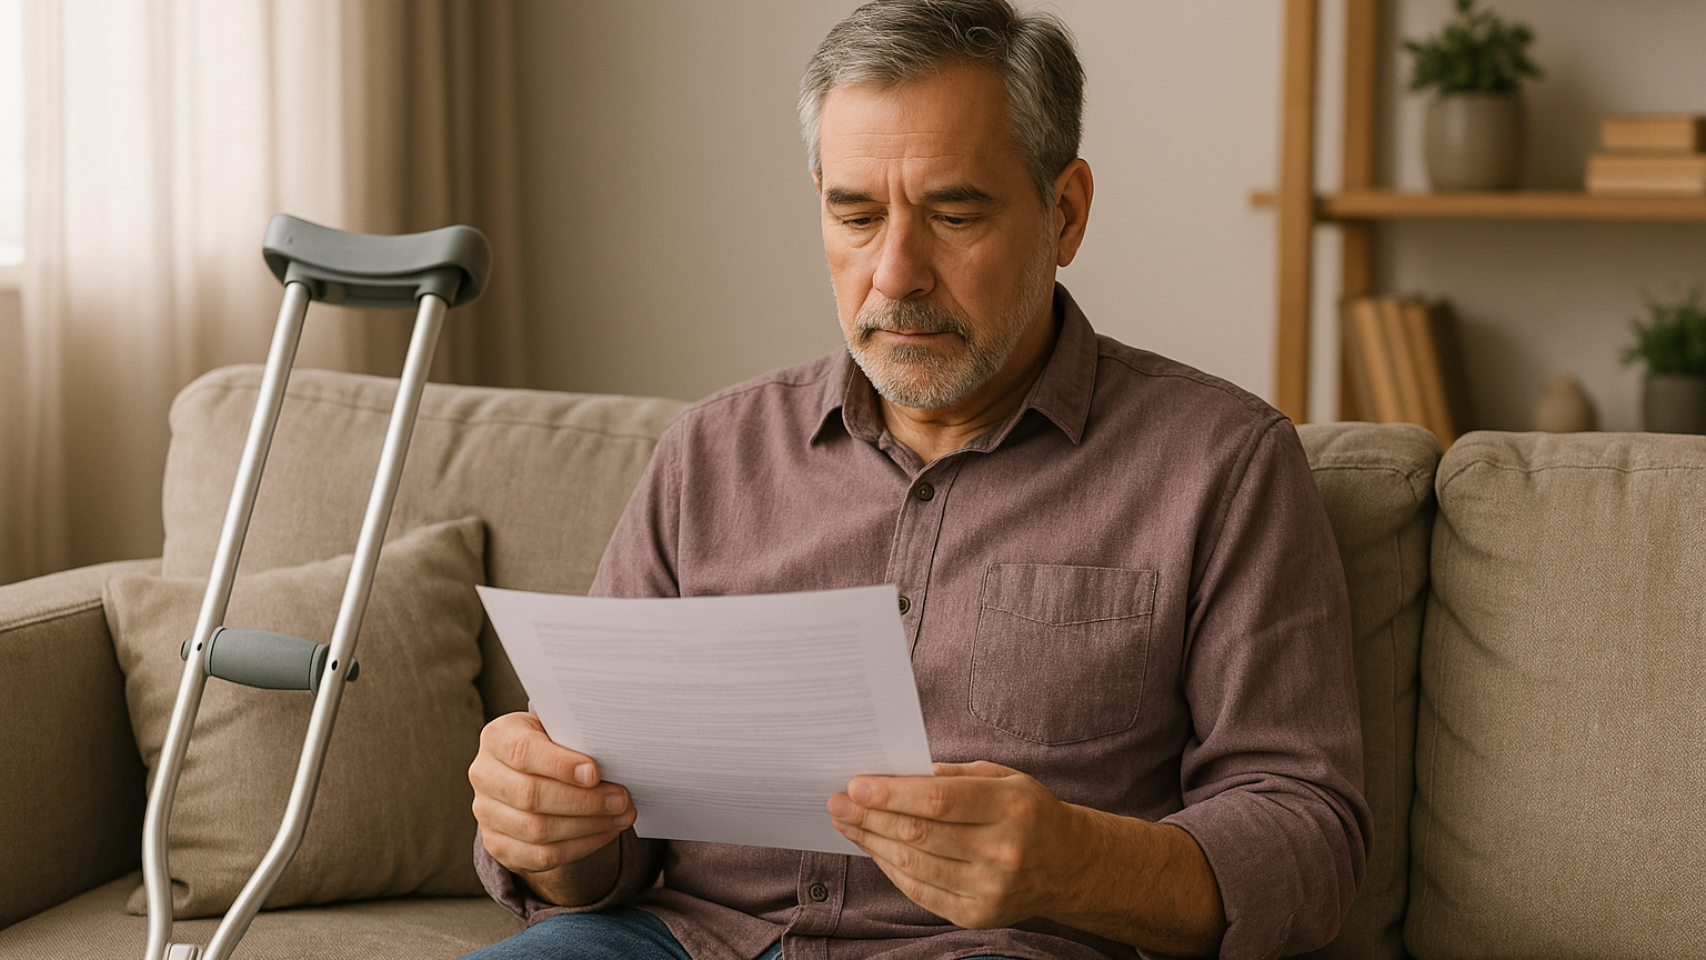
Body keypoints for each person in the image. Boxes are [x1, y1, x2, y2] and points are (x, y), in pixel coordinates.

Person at [464, 2, 1371, 958]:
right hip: (684, 940)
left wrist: (1079, 863)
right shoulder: (708, 455)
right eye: (855, 215)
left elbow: (1308, 833)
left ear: (1064, 212)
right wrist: (550, 833)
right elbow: (605, 837)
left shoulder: (1222, 467)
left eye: (953, 214)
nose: (895, 273)